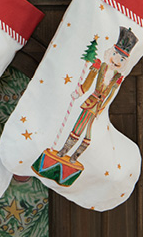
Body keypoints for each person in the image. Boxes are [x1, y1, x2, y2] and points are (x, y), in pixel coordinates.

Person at [56, 27, 138, 164]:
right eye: (116, 55)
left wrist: (103, 108)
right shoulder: (100, 68)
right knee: (79, 126)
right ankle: (64, 150)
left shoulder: (117, 77)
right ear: (111, 53)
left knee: (89, 130)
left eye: (122, 59)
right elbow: (88, 82)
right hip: (91, 101)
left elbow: (110, 95)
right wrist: (79, 92)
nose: (117, 61)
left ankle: (76, 154)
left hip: (99, 107)